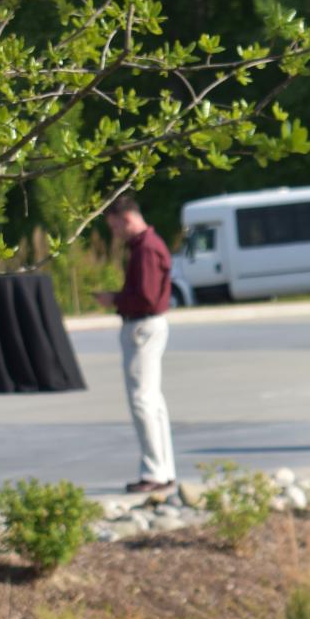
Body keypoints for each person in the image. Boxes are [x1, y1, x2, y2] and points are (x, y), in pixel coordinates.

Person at [95, 194, 174, 494]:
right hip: (147, 325)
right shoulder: (146, 246)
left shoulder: (146, 250)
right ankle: (163, 470)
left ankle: (154, 471)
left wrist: (114, 299)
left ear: (127, 219)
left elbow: (147, 297)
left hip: (142, 326)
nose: (115, 234)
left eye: (115, 227)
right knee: (152, 401)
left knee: (143, 401)